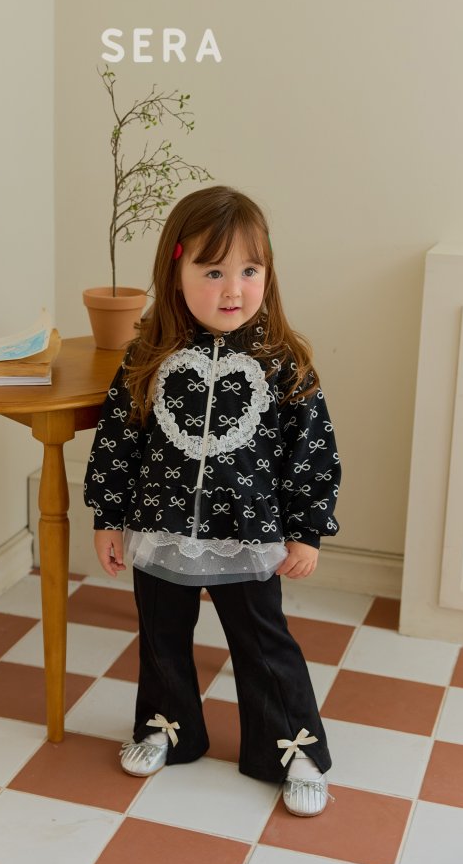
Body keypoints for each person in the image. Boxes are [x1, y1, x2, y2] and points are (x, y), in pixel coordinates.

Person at [84, 186, 341, 817]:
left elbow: (312, 451)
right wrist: (108, 516)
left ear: (268, 274)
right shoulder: (147, 357)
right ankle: (166, 727)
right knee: (162, 634)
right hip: (160, 527)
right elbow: (118, 439)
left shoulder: (284, 363)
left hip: (248, 535)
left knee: (263, 641)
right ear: (176, 272)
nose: (233, 289)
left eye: (250, 271)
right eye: (213, 271)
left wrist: (306, 530)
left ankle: (291, 748)